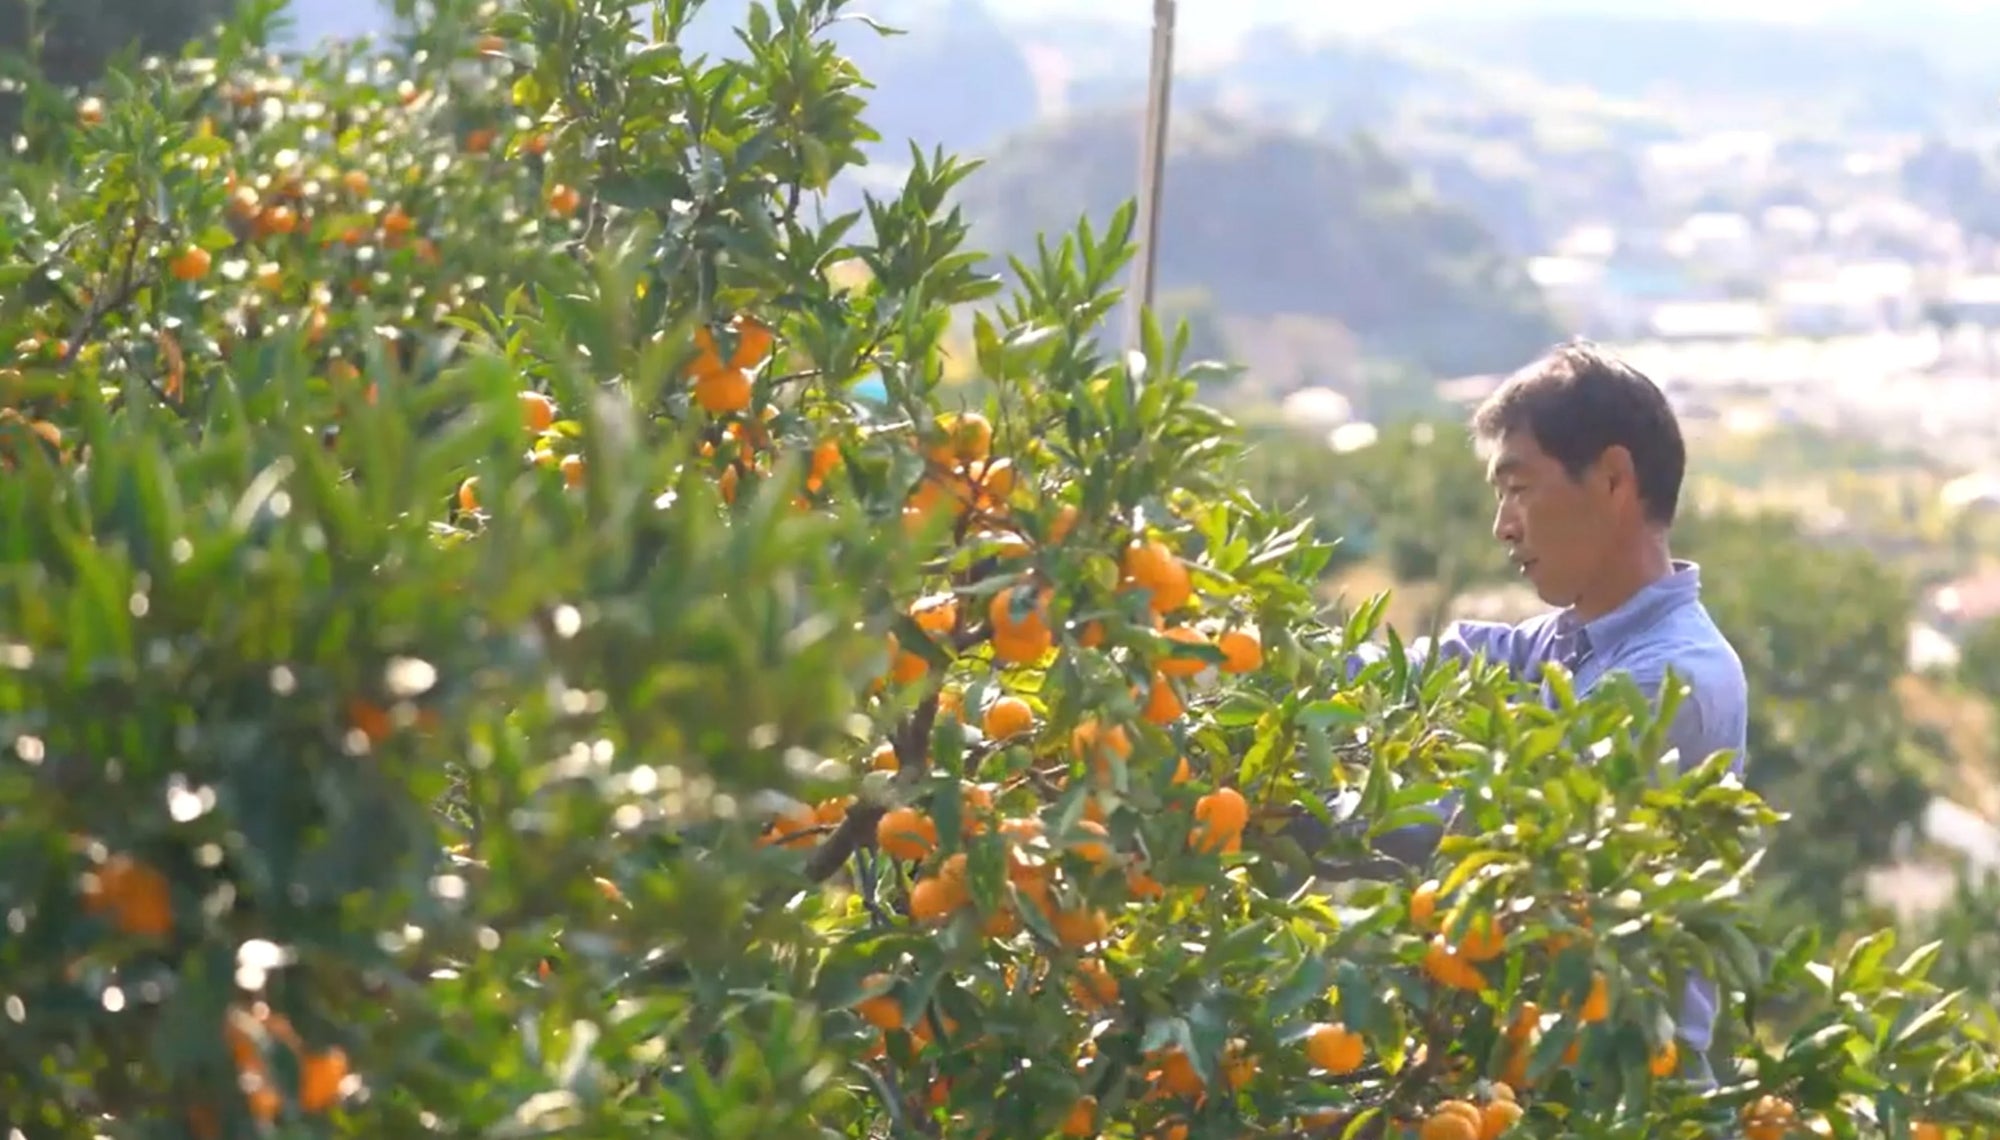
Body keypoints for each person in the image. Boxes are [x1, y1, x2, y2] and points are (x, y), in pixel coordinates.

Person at [1331, 341, 1749, 1083]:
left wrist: (1258, 803)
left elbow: (1469, 836)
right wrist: (1264, 677)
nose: (1504, 525)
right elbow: (1438, 667)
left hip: (1622, 1102)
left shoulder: (1669, 680)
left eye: (1519, 488)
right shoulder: (1573, 642)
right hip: (1522, 1079)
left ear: (1614, 479)